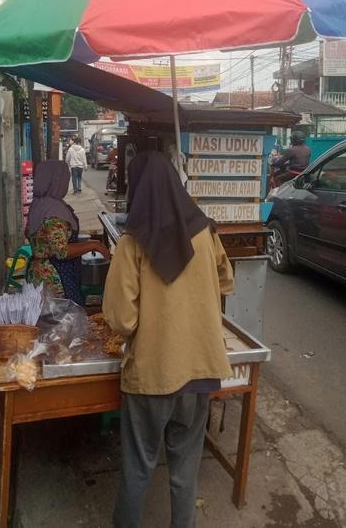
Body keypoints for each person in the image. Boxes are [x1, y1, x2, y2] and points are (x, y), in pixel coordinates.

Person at [103, 151, 234, 528]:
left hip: (152, 375)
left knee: (139, 466)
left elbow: (121, 319)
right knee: (184, 467)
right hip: (201, 370)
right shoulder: (206, 231)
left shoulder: (133, 243)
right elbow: (226, 281)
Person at [26, 160, 109, 305]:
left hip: (38, 273)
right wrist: (94, 245)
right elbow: (61, 251)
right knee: (62, 322)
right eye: (65, 179)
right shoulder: (54, 212)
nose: (66, 183)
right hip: (55, 279)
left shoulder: (39, 204)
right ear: (55, 181)